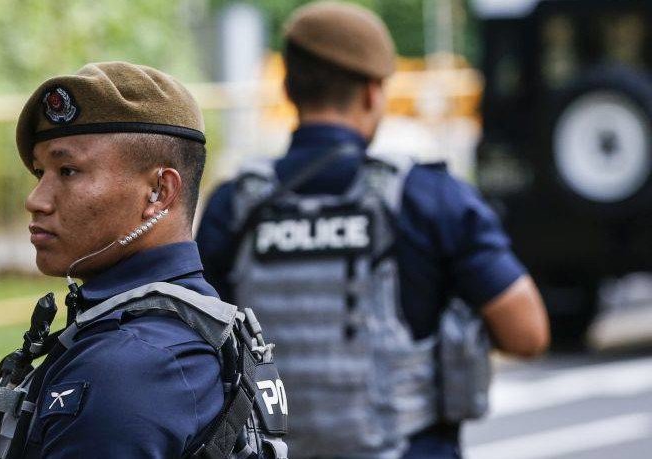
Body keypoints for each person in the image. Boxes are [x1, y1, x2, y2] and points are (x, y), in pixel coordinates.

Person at [196, 2, 550, 458]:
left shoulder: (235, 205)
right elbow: (528, 333)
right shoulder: (431, 198)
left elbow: (203, 343)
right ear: (371, 94)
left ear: (287, 87)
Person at [0, 62, 287, 459]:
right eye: (40, 172)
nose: (36, 200)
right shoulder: (168, 324)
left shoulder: (134, 365)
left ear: (159, 191)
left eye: (68, 171)